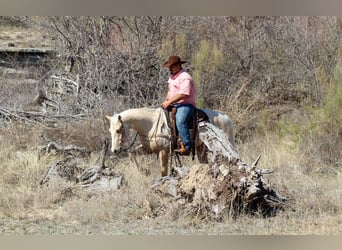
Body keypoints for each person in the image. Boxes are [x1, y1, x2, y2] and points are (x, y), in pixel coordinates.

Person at [161, 55, 196, 155]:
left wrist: (169, 102)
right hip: (174, 104)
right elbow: (170, 91)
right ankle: (172, 142)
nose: (170, 69)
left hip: (185, 104)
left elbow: (183, 94)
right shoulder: (172, 77)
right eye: (169, 67)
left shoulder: (185, 78)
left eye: (171, 66)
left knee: (180, 120)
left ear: (177, 66)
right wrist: (166, 101)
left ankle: (187, 146)